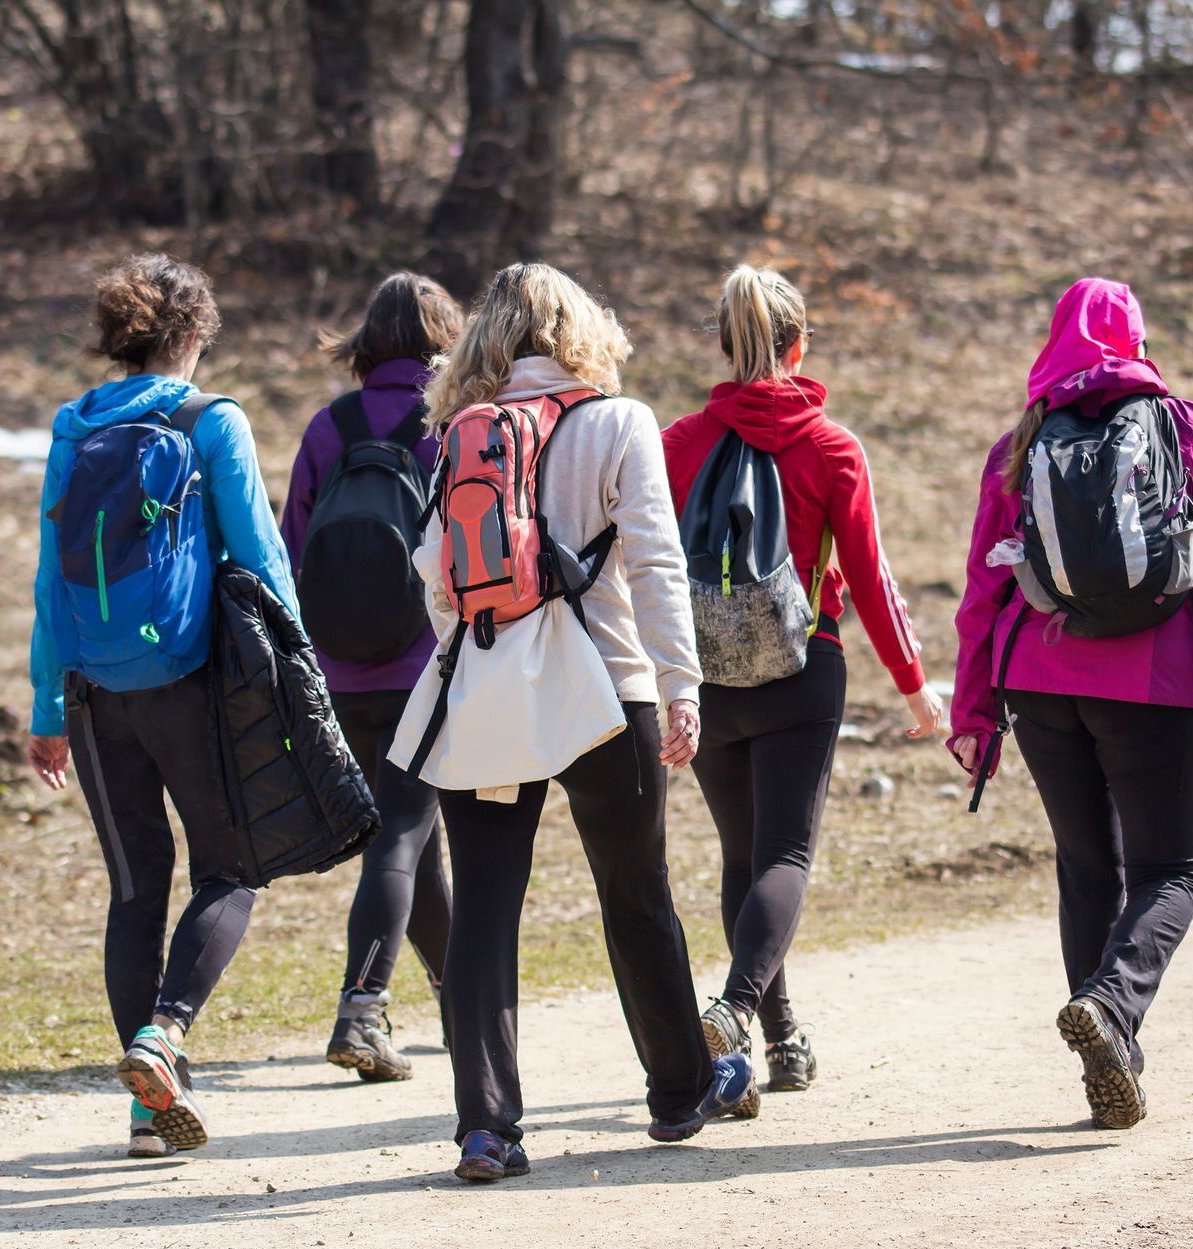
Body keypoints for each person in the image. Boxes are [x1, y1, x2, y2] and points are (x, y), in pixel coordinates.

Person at [393, 262, 753, 1182]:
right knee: (635, 894)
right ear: (579, 330)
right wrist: (683, 686)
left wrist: (481, 644)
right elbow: (658, 565)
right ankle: (680, 1092)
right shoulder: (618, 421)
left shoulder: (460, 431)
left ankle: (488, 1128)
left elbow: (435, 570)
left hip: (485, 693)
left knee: (483, 907)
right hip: (607, 688)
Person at [949, 277, 1193, 1129]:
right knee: (1172, 870)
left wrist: (974, 715)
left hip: (1038, 685)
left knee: (1087, 869)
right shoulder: (1183, 429)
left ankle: (1112, 1056)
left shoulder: (1021, 443)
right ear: (1138, 344)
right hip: (1153, 685)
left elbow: (983, 590)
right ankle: (1111, 1009)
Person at [26, 253, 302, 1156]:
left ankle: (149, 1111)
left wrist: (46, 708)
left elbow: (46, 581)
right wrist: (300, 671)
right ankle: (166, 1032)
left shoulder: (72, 428)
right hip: (188, 683)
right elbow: (260, 555)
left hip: (95, 693)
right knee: (229, 870)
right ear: (192, 337)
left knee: (136, 889)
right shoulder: (211, 421)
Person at [663, 266, 943, 1110]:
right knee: (785, 856)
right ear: (799, 343)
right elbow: (870, 572)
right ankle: (742, 1011)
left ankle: (784, 1041)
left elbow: (642, 563)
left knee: (744, 859)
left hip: (709, 677)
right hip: (801, 665)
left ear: (721, 343)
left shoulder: (678, 444)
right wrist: (915, 685)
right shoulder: (830, 448)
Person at [281, 272, 463, 1083]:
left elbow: (290, 549)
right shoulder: (449, 425)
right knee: (401, 834)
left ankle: (465, 1007)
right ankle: (362, 1006)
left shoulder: (329, 427)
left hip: (342, 670)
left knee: (412, 843)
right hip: (425, 664)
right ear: (442, 341)